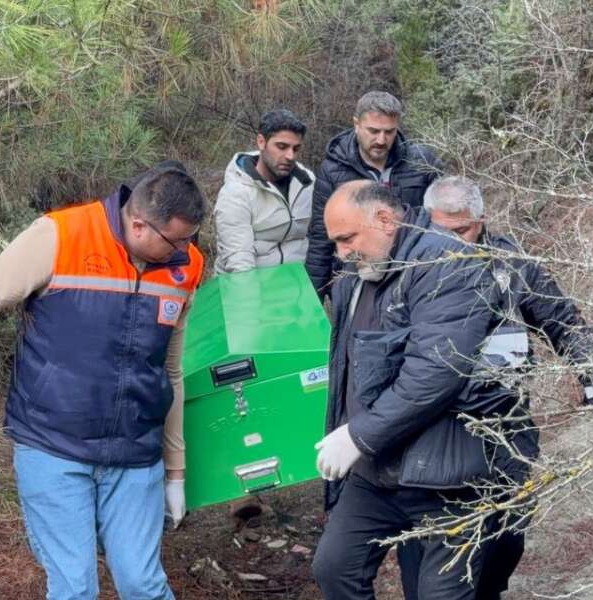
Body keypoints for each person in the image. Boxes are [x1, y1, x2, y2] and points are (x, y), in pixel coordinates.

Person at [0, 163, 207, 600]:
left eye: (190, 240)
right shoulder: (61, 235)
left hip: (136, 452)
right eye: (176, 241)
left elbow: (169, 370)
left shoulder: (186, 266)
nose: (185, 251)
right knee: (74, 588)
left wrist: (175, 471)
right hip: (53, 446)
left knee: (143, 584)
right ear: (139, 225)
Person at [394, 176, 593, 600]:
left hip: (505, 421)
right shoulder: (408, 268)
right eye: (441, 231)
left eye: (462, 231)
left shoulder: (513, 264)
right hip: (433, 426)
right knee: (427, 545)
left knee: (508, 535)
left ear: (482, 220)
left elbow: (563, 320)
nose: (452, 243)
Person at [310, 180, 497, 600]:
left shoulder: (449, 264)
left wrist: (358, 436)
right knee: (335, 568)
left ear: (384, 219)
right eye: (336, 242)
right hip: (377, 469)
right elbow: (346, 370)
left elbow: (436, 372)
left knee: (438, 595)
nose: (341, 252)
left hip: (447, 474)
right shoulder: (356, 276)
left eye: (347, 238)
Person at [305, 91, 443, 298]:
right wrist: (313, 298)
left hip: (412, 271)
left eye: (389, 132)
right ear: (356, 124)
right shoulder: (333, 170)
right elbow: (321, 237)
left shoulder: (421, 162)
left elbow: (443, 221)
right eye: (373, 131)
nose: (381, 140)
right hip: (356, 273)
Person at [213, 109, 316, 273]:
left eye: (296, 149)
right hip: (249, 282)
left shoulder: (307, 182)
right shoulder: (236, 192)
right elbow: (239, 263)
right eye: (282, 147)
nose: (290, 156)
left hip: (296, 281)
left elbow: (321, 238)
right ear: (261, 142)